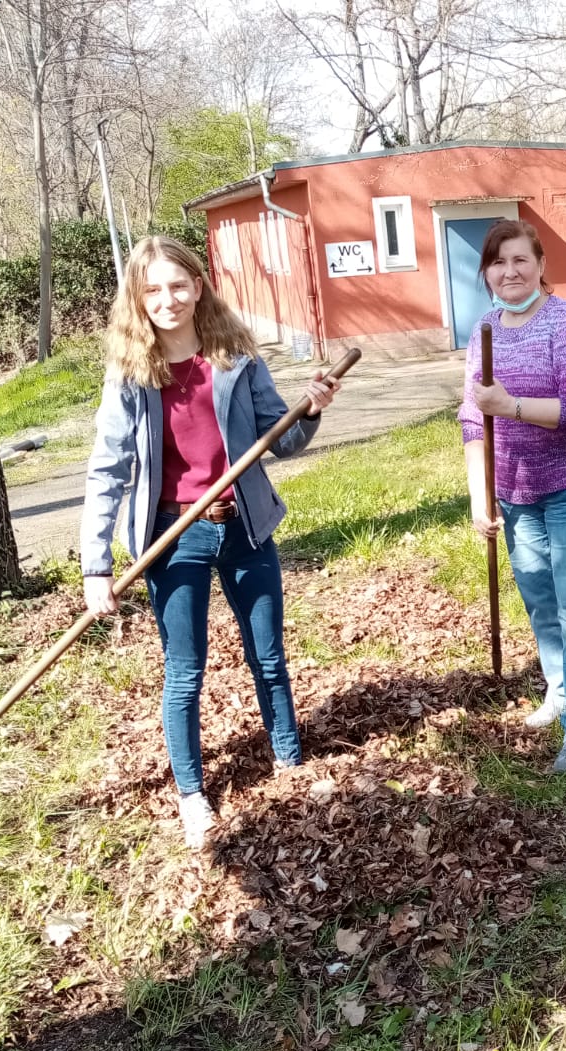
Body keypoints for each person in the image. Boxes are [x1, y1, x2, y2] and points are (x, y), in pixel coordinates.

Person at [81, 235, 340, 849]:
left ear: (198, 286)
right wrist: (97, 565)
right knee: (185, 672)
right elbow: (107, 471)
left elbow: (284, 442)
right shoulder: (130, 376)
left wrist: (312, 409)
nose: (167, 299)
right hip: (174, 538)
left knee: (269, 656)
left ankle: (289, 761)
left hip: (245, 525)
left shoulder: (236, 358)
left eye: (177, 285)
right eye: (152, 290)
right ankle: (193, 794)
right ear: (138, 301)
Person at [460, 219, 566, 774]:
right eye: (498, 263)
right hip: (515, 491)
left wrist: (513, 405)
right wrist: (481, 497)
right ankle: (561, 690)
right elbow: (473, 421)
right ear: (488, 272)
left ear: (542, 264)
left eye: (520, 260)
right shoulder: (484, 330)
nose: (510, 272)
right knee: (541, 600)